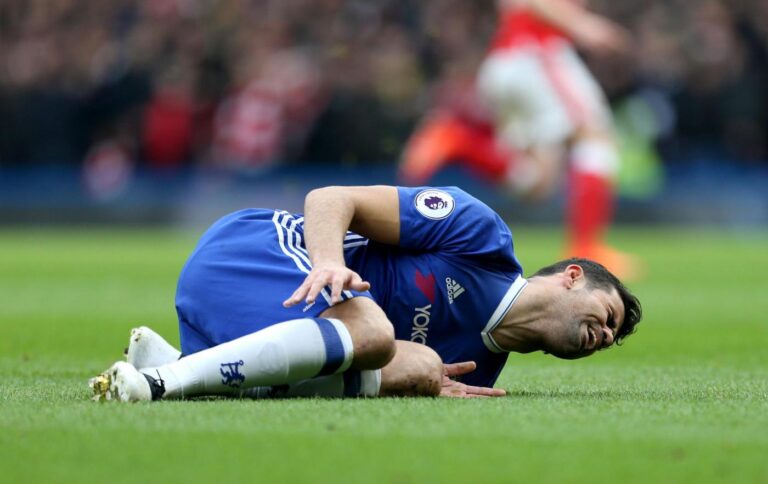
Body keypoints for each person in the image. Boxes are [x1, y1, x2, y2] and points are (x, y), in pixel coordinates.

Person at [89, 185, 642, 402]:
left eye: (611, 339)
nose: (605, 335)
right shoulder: (480, 237)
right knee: (377, 335)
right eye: (609, 315)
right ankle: (158, 384)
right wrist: (330, 262)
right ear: (572, 275)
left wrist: (419, 382)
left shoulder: (478, 371)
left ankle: (183, 367)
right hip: (254, 251)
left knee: (415, 365)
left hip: (248, 320)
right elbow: (330, 199)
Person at [400, 0, 639, 278]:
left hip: (508, 61)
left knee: (537, 183)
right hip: (537, 53)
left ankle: (461, 142)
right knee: (595, 138)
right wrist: (580, 24)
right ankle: (587, 248)